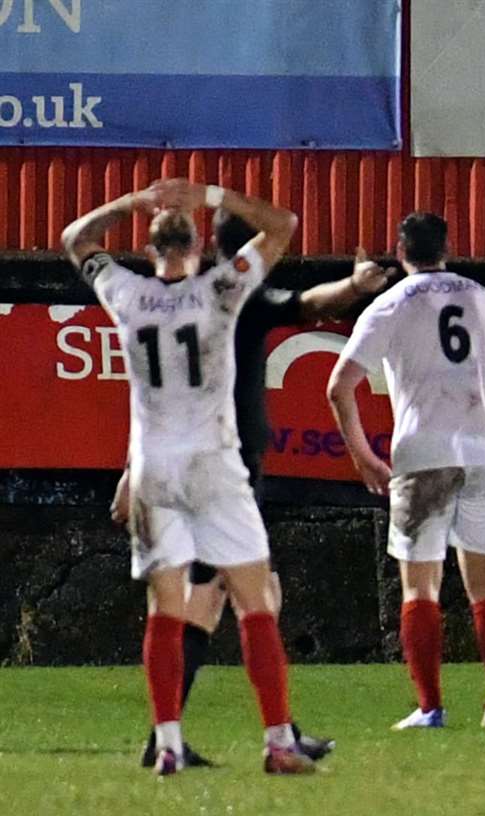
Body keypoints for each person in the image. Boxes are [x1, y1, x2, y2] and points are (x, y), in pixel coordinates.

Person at [114, 208, 391, 769]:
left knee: (235, 596)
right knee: (224, 598)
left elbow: (152, 398)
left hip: (176, 461)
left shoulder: (171, 299)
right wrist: (357, 286)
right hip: (223, 464)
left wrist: (131, 468)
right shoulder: (235, 296)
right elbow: (313, 304)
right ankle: (202, 737)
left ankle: (229, 732)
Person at [64, 178, 316, 775]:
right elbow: (283, 224)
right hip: (212, 460)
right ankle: (279, 739)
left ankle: (169, 741)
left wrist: (131, 203)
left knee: (165, 606)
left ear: (149, 250)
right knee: (254, 603)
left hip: (153, 466)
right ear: (199, 245)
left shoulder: (124, 294)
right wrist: (206, 194)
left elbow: (75, 238)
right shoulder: (220, 290)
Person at [327, 212, 485, 731]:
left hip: (421, 456)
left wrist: (363, 455)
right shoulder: (482, 297)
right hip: (480, 454)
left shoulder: (388, 305)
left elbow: (340, 386)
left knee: (420, 588)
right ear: (447, 248)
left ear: (401, 252)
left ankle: (430, 707)